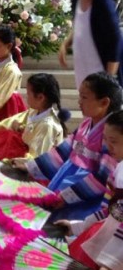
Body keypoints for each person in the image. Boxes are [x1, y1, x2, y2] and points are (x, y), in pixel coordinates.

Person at [16, 71, 122, 222]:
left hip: (86, 196)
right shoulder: (86, 124)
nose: (79, 102)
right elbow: (63, 151)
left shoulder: (111, 136)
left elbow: (102, 178)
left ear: (104, 102)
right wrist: (30, 167)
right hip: (66, 182)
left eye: (84, 97)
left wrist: (66, 197)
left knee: (65, 227)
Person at [57, 110, 123, 270]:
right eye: (105, 139)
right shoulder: (119, 167)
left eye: (113, 141)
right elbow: (109, 211)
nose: (107, 146)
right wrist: (76, 226)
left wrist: (108, 263)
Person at [58, 0, 123, 88]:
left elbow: (115, 41)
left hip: (100, 68)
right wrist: (65, 44)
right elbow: (80, 27)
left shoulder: (102, 3)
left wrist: (109, 79)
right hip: (83, 67)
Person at [0, 72, 68, 161]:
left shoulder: (47, 125)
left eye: (28, 94)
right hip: (26, 158)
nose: (26, 96)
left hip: (34, 166)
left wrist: (9, 162)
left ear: (40, 97)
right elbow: (7, 123)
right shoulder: (34, 112)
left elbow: (37, 159)